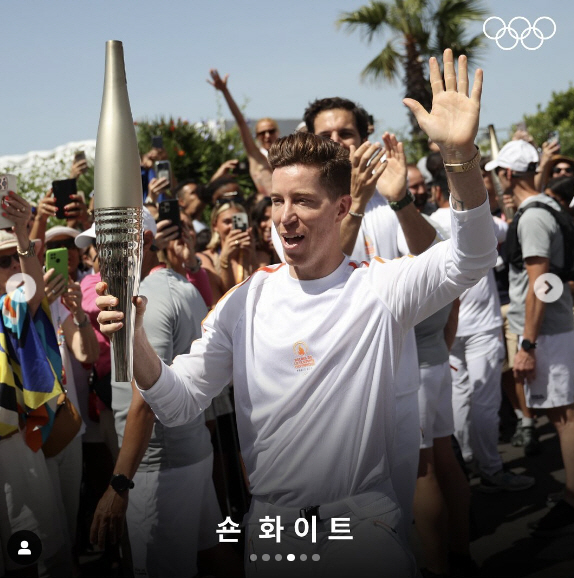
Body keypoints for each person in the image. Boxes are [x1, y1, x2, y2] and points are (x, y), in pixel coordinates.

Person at [96, 50, 497, 577]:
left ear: (339, 207)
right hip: (275, 529)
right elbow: (177, 403)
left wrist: (460, 157)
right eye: (277, 202)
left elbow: (471, 256)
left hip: (361, 522)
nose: (285, 217)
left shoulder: (381, 286)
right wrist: (136, 343)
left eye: (303, 201)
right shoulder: (245, 300)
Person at [89, 211, 236, 578]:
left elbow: (146, 400)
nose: (97, 257)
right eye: (96, 246)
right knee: (211, 557)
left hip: (160, 468)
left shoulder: (146, 300)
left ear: (145, 242)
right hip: (187, 453)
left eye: (107, 246)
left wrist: (119, 483)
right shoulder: (180, 286)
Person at [486, 139, 574, 537]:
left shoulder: (534, 216)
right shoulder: (545, 206)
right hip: (553, 328)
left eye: (498, 173)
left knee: (565, 419)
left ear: (507, 174)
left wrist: (527, 344)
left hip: (548, 333)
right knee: (563, 417)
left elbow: (539, 284)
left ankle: (572, 499)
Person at [0, 194, 71, 577]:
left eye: (15, 258)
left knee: (29, 559)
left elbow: (28, 290)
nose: (11, 266)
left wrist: (23, 232)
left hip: (12, 448)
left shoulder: (8, 311)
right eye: (2, 261)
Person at [207, 69, 274, 196]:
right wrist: (225, 91)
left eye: (271, 131)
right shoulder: (256, 157)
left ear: (277, 132)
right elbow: (241, 122)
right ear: (256, 136)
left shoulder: (288, 156)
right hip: (267, 210)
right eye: (262, 133)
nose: (267, 136)